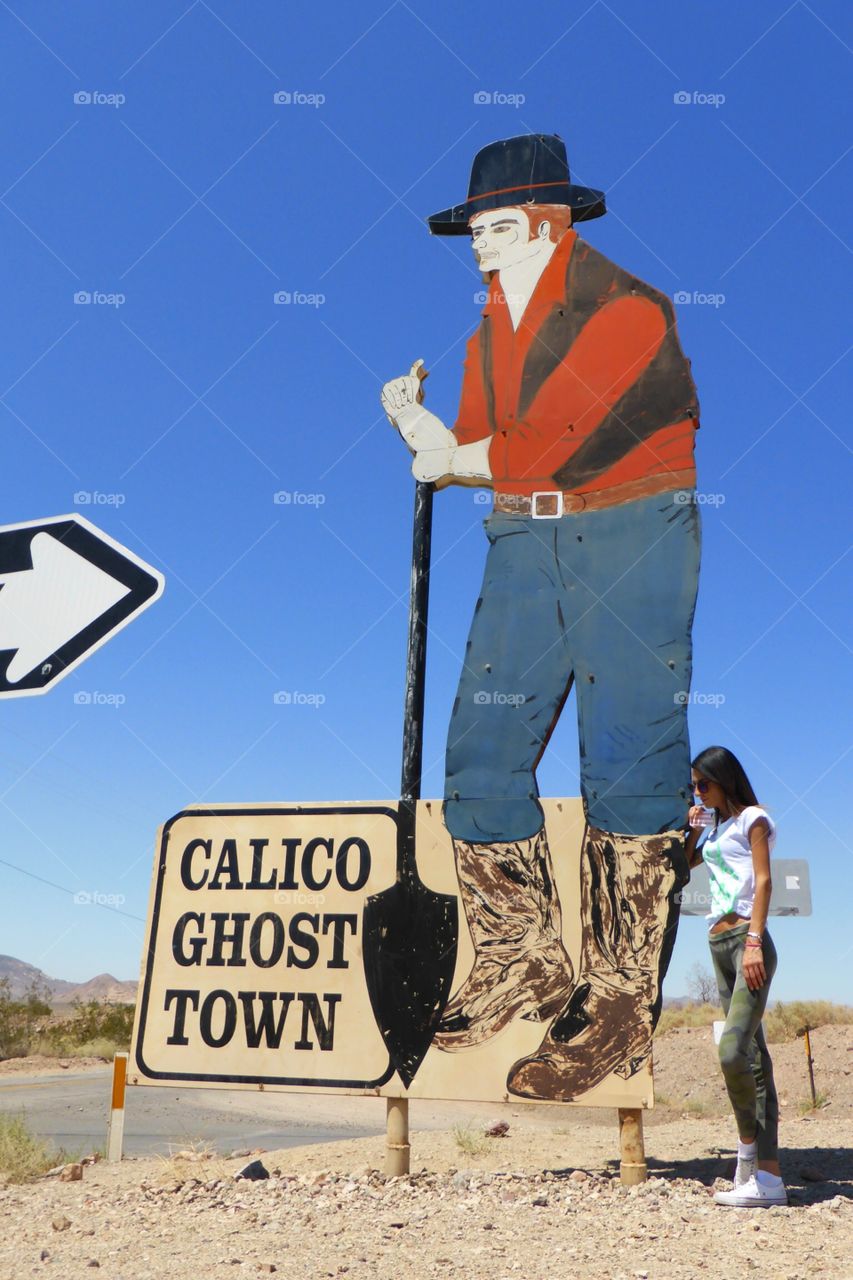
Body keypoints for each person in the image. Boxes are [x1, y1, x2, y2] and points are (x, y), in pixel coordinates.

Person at [381, 133, 699, 1100]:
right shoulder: (484, 337)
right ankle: (520, 954)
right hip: (520, 539)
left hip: (629, 529)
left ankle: (614, 1003)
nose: (478, 242)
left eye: (495, 225)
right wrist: (427, 433)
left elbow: (551, 437)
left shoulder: (629, 309)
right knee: (480, 751)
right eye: (470, 229)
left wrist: (448, 456)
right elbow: (483, 445)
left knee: (628, 758)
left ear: (546, 222)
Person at [686, 745, 786, 1208]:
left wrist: (753, 941)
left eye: (703, 784)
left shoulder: (752, 819)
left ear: (723, 780)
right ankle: (769, 1180)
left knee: (732, 1051)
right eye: (694, 786)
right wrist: (694, 831)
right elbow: (687, 866)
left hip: (747, 939)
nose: (698, 791)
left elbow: (764, 881)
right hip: (717, 943)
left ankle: (747, 1153)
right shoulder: (717, 827)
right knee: (754, 1057)